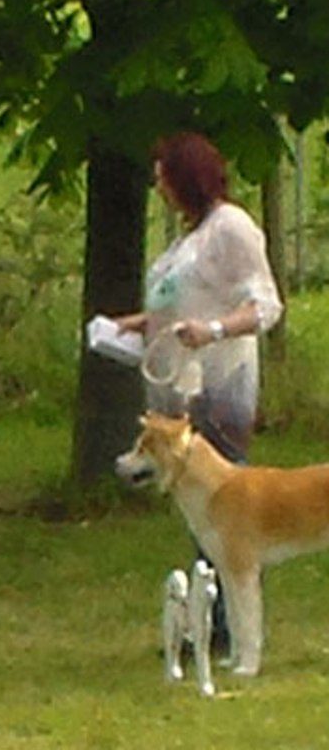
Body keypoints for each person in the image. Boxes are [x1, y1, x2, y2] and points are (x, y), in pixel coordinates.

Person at [116, 131, 284, 650]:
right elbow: (187, 301)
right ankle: (210, 618)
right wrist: (143, 324)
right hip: (179, 396)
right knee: (199, 515)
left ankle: (228, 627)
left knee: (227, 513)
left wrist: (212, 331)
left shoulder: (231, 229)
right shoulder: (188, 238)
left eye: (163, 174)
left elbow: (264, 306)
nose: (157, 185)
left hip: (218, 389)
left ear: (185, 177)